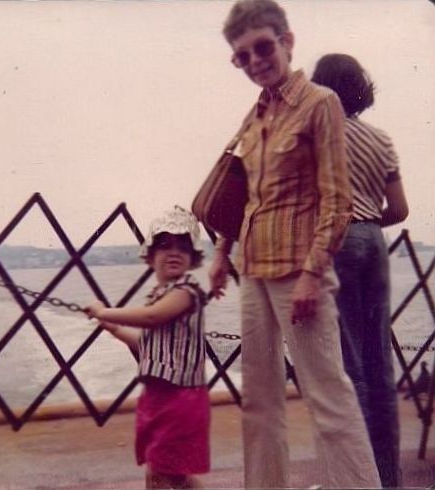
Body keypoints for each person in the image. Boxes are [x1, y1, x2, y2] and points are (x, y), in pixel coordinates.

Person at [207, 1, 381, 488]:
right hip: (253, 270)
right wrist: (221, 253)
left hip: (298, 271)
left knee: (327, 396)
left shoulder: (320, 103)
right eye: (242, 56)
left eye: (262, 47)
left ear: (287, 41)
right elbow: (243, 193)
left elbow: (338, 200)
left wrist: (312, 274)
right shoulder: (254, 115)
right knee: (259, 400)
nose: (255, 61)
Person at [311, 53, 409, 488]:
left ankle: (357, 480)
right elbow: (400, 209)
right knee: (379, 366)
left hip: (337, 241)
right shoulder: (381, 139)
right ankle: (388, 478)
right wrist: (367, 223)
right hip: (374, 243)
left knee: (347, 365)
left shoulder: (319, 135)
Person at [85, 206, 210, 490]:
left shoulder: (185, 292)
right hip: (160, 396)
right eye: (165, 246)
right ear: (151, 257)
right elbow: (148, 345)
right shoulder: (161, 295)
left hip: (179, 399)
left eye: (183, 247)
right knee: (170, 471)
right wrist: (114, 329)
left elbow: (151, 318)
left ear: (193, 259)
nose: (174, 252)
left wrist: (104, 312)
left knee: (161, 471)